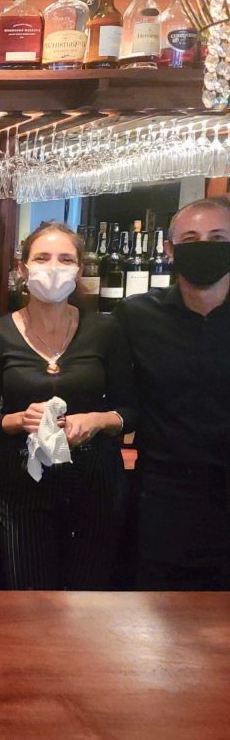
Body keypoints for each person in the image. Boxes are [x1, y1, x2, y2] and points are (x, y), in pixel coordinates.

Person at [0, 222, 136, 590]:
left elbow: (131, 411)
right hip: (22, 484)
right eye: (42, 258)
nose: (53, 267)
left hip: (96, 481)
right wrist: (18, 420)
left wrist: (97, 420)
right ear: (22, 269)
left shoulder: (105, 330)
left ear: (78, 271)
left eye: (65, 259)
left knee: (87, 599)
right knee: (29, 597)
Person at [114, 197, 230, 590]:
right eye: (191, 239)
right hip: (163, 493)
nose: (205, 246)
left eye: (218, 238)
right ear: (169, 250)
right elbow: (117, 395)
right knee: (159, 610)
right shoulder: (135, 315)